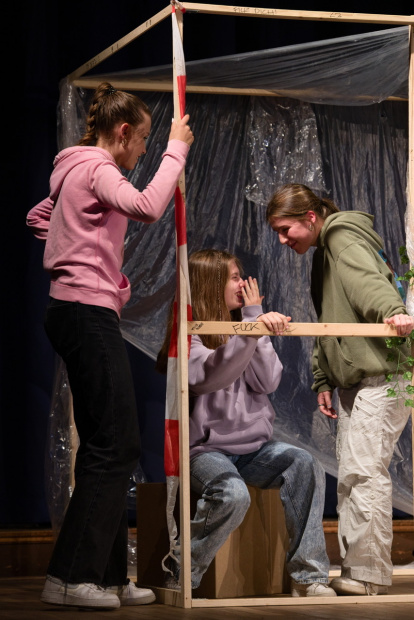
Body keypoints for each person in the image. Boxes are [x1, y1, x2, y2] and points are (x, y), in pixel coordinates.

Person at [26, 81, 194, 609]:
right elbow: (146, 205)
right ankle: (70, 577)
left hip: (79, 308)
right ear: (123, 132)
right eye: (142, 139)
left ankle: (105, 576)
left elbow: (38, 217)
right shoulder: (98, 168)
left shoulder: (72, 169)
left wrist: (79, 249)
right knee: (115, 445)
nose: (144, 149)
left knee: (109, 444)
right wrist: (175, 150)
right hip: (85, 311)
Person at [156, 249, 336, 598]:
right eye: (235, 278)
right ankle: (180, 572)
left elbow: (268, 381)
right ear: (211, 285)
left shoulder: (246, 328)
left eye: (242, 276)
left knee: (305, 463)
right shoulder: (190, 335)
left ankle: (309, 577)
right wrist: (252, 328)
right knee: (232, 494)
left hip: (254, 449)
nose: (243, 284)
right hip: (205, 451)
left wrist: (257, 330)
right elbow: (210, 377)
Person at [266, 183, 414, 596]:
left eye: (285, 229)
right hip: (356, 378)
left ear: (311, 218)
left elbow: (368, 282)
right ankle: (358, 570)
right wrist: (323, 377)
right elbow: (329, 320)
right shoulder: (323, 251)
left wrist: (394, 311)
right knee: (352, 475)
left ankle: (367, 575)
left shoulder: (341, 236)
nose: (282, 241)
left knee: (364, 474)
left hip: (381, 374)